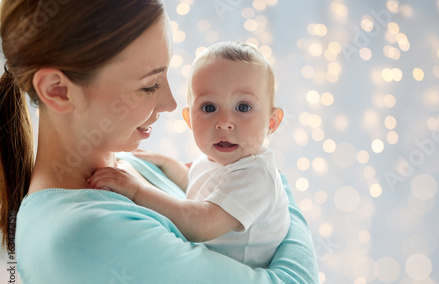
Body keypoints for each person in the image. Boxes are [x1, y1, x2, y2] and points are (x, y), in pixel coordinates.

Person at [0, 1, 323, 284]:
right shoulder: (84, 237)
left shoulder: (132, 166)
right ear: (58, 90)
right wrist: (278, 188)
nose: (170, 103)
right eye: (149, 85)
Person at [88, 41, 290, 268]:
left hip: (239, 281)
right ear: (189, 120)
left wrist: (138, 190)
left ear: (272, 122)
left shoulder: (256, 175)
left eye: (243, 107)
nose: (224, 123)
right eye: (209, 108)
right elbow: (196, 187)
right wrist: (167, 164)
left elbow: (201, 223)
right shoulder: (214, 161)